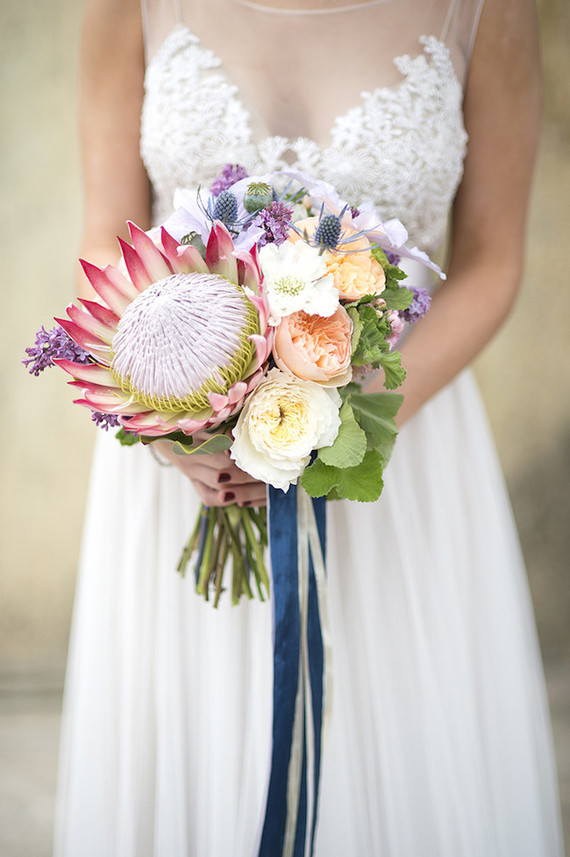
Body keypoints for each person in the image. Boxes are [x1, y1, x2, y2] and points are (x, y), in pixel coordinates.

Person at [54, 0, 565, 855]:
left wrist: (337, 417)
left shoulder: (487, 10)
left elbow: (492, 259)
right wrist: (173, 416)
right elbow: (110, 233)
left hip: (394, 441)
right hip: (188, 458)